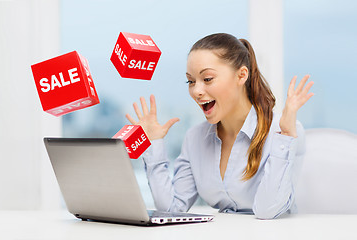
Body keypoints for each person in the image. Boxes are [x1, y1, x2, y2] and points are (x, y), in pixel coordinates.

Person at [125, 33, 314, 220]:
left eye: (207, 79)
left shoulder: (283, 134)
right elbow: (172, 208)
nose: (196, 91)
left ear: (241, 75)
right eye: (190, 81)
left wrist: (287, 135)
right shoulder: (195, 138)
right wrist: (154, 143)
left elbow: (267, 211)